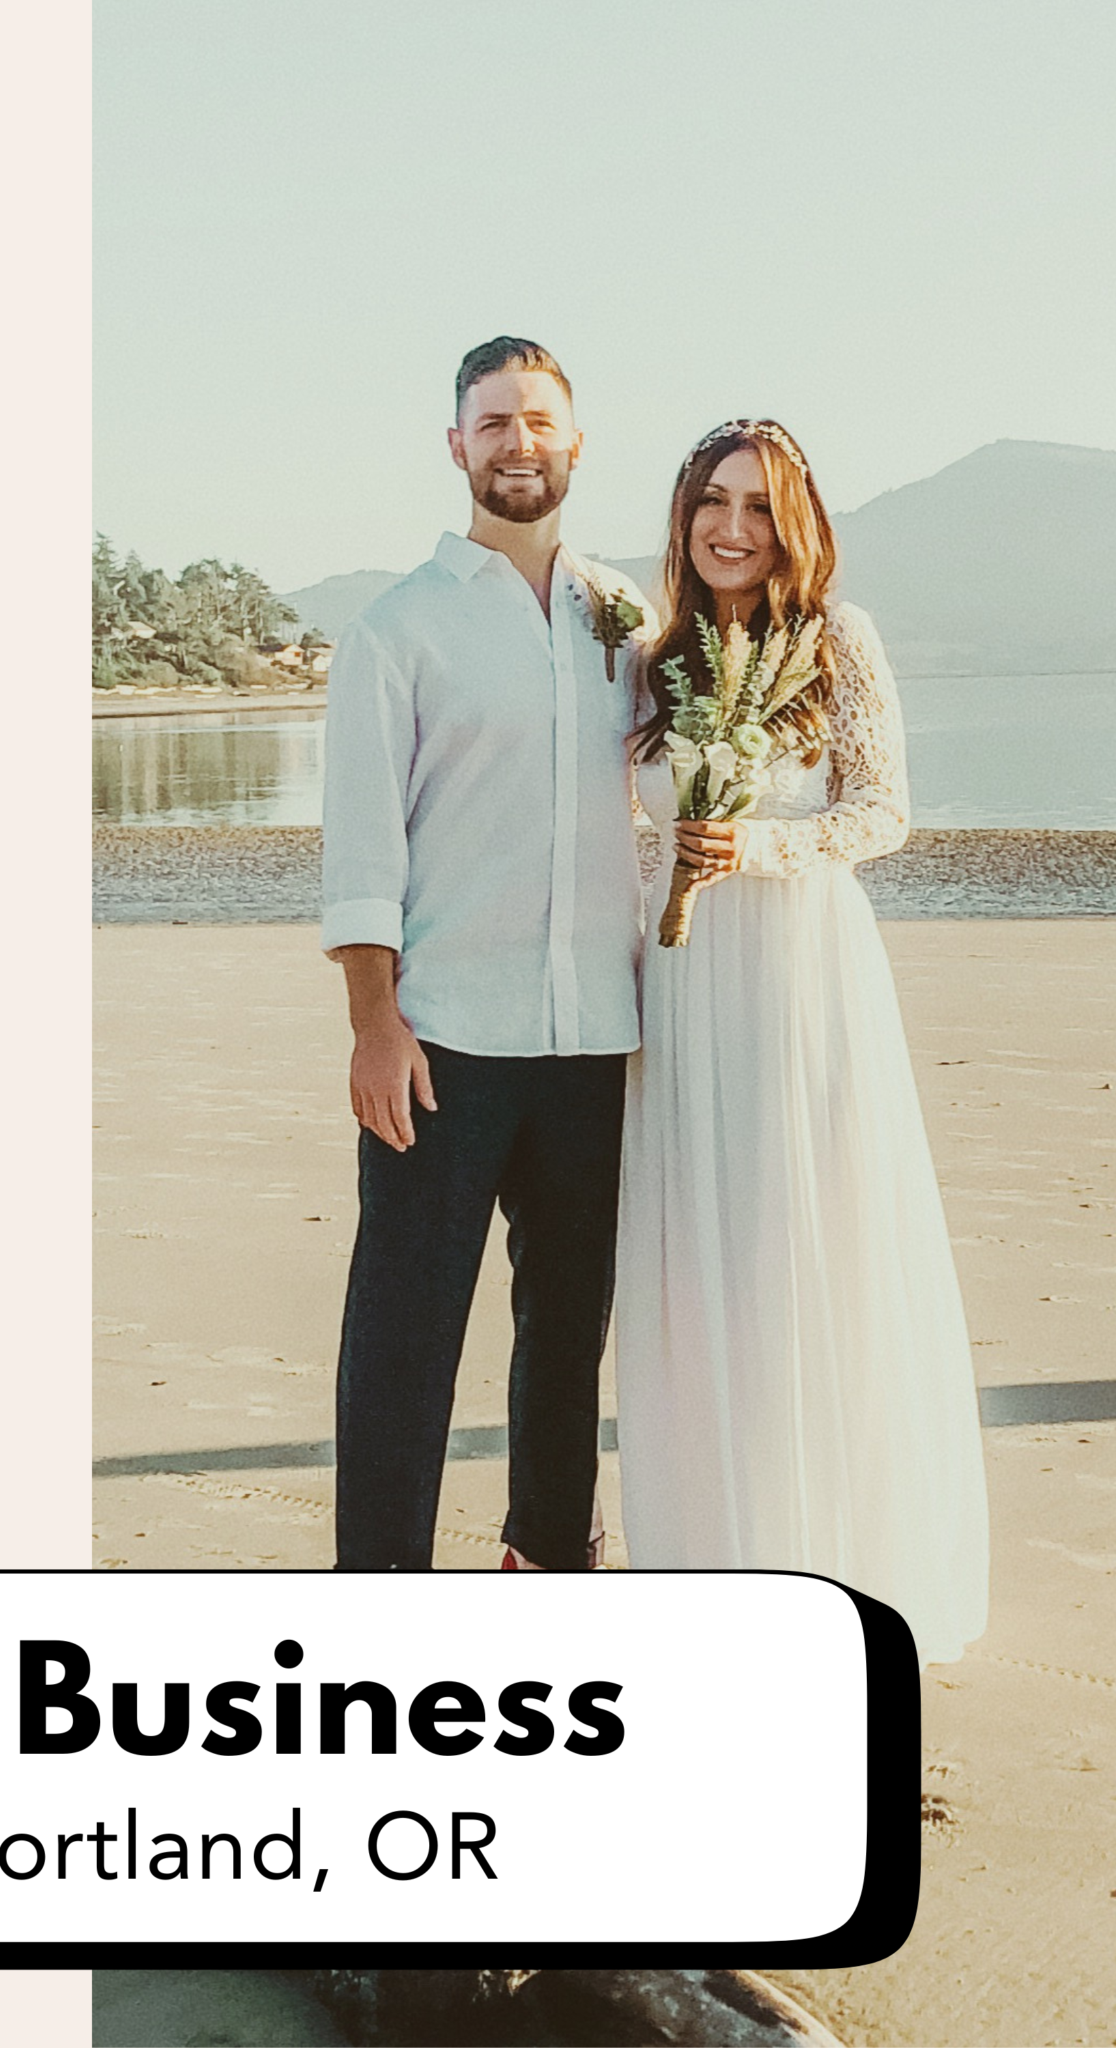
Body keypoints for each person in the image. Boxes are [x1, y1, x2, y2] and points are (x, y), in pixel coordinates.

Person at [615, 419, 990, 1663]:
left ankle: (833, 1555)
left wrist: (756, 847)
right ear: (682, 516)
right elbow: (623, 831)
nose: (731, 527)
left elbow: (880, 811)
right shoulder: (650, 656)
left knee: (801, 1237)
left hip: (800, 979)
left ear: (794, 524)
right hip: (680, 991)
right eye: (711, 502)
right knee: (694, 1259)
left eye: (758, 507)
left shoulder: (838, 640)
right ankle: (714, 1544)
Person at [321, 337, 647, 1572]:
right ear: (455, 445)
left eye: (539, 420)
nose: (519, 442)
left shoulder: (625, 615)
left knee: (565, 1328)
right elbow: (359, 846)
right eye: (493, 421)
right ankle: (380, 1582)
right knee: (404, 1329)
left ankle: (546, 1553)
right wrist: (372, 1022)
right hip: (440, 1038)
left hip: (591, 1038)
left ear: (574, 441)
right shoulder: (395, 628)